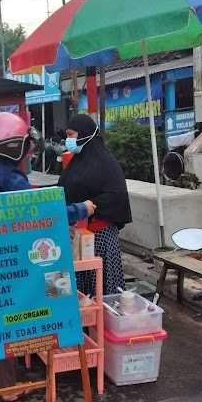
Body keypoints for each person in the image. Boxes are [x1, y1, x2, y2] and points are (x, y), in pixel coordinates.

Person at [0, 112, 96, 401]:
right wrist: (83, 209)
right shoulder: (11, 179)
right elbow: (43, 214)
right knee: (12, 321)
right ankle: (8, 389)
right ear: (13, 147)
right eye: (26, 147)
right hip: (9, 267)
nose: (29, 154)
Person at [59, 113, 132, 296]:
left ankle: (102, 322)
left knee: (101, 287)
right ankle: (81, 321)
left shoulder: (107, 164)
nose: (68, 140)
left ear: (84, 134)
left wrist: (90, 205)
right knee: (78, 287)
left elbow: (117, 195)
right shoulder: (76, 163)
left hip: (100, 237)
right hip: (75, 235)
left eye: (71, 134)